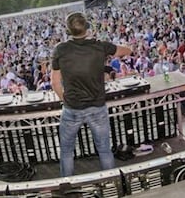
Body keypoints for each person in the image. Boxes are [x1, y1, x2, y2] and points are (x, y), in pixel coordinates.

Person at [51, 11, 131, 177]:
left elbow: (55, 83)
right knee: (104, 150)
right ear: (87, 28)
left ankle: (67, 188)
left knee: (66, 152)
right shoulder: (99, 46)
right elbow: (126, 51)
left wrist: (64, 99)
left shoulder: (61, 49)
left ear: (68, 30)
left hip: (72, 108)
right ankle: (111, 184)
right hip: (97, 107)